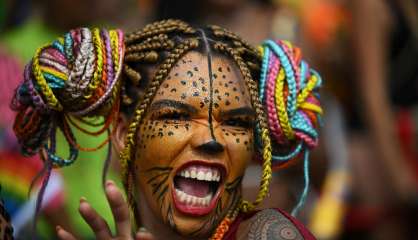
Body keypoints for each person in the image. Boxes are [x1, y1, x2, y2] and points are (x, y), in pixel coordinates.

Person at [11, 19, 322, 239]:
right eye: (176, 117)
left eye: (235, 123)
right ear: (122, 135)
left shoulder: (267, 234)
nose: (211, 140)